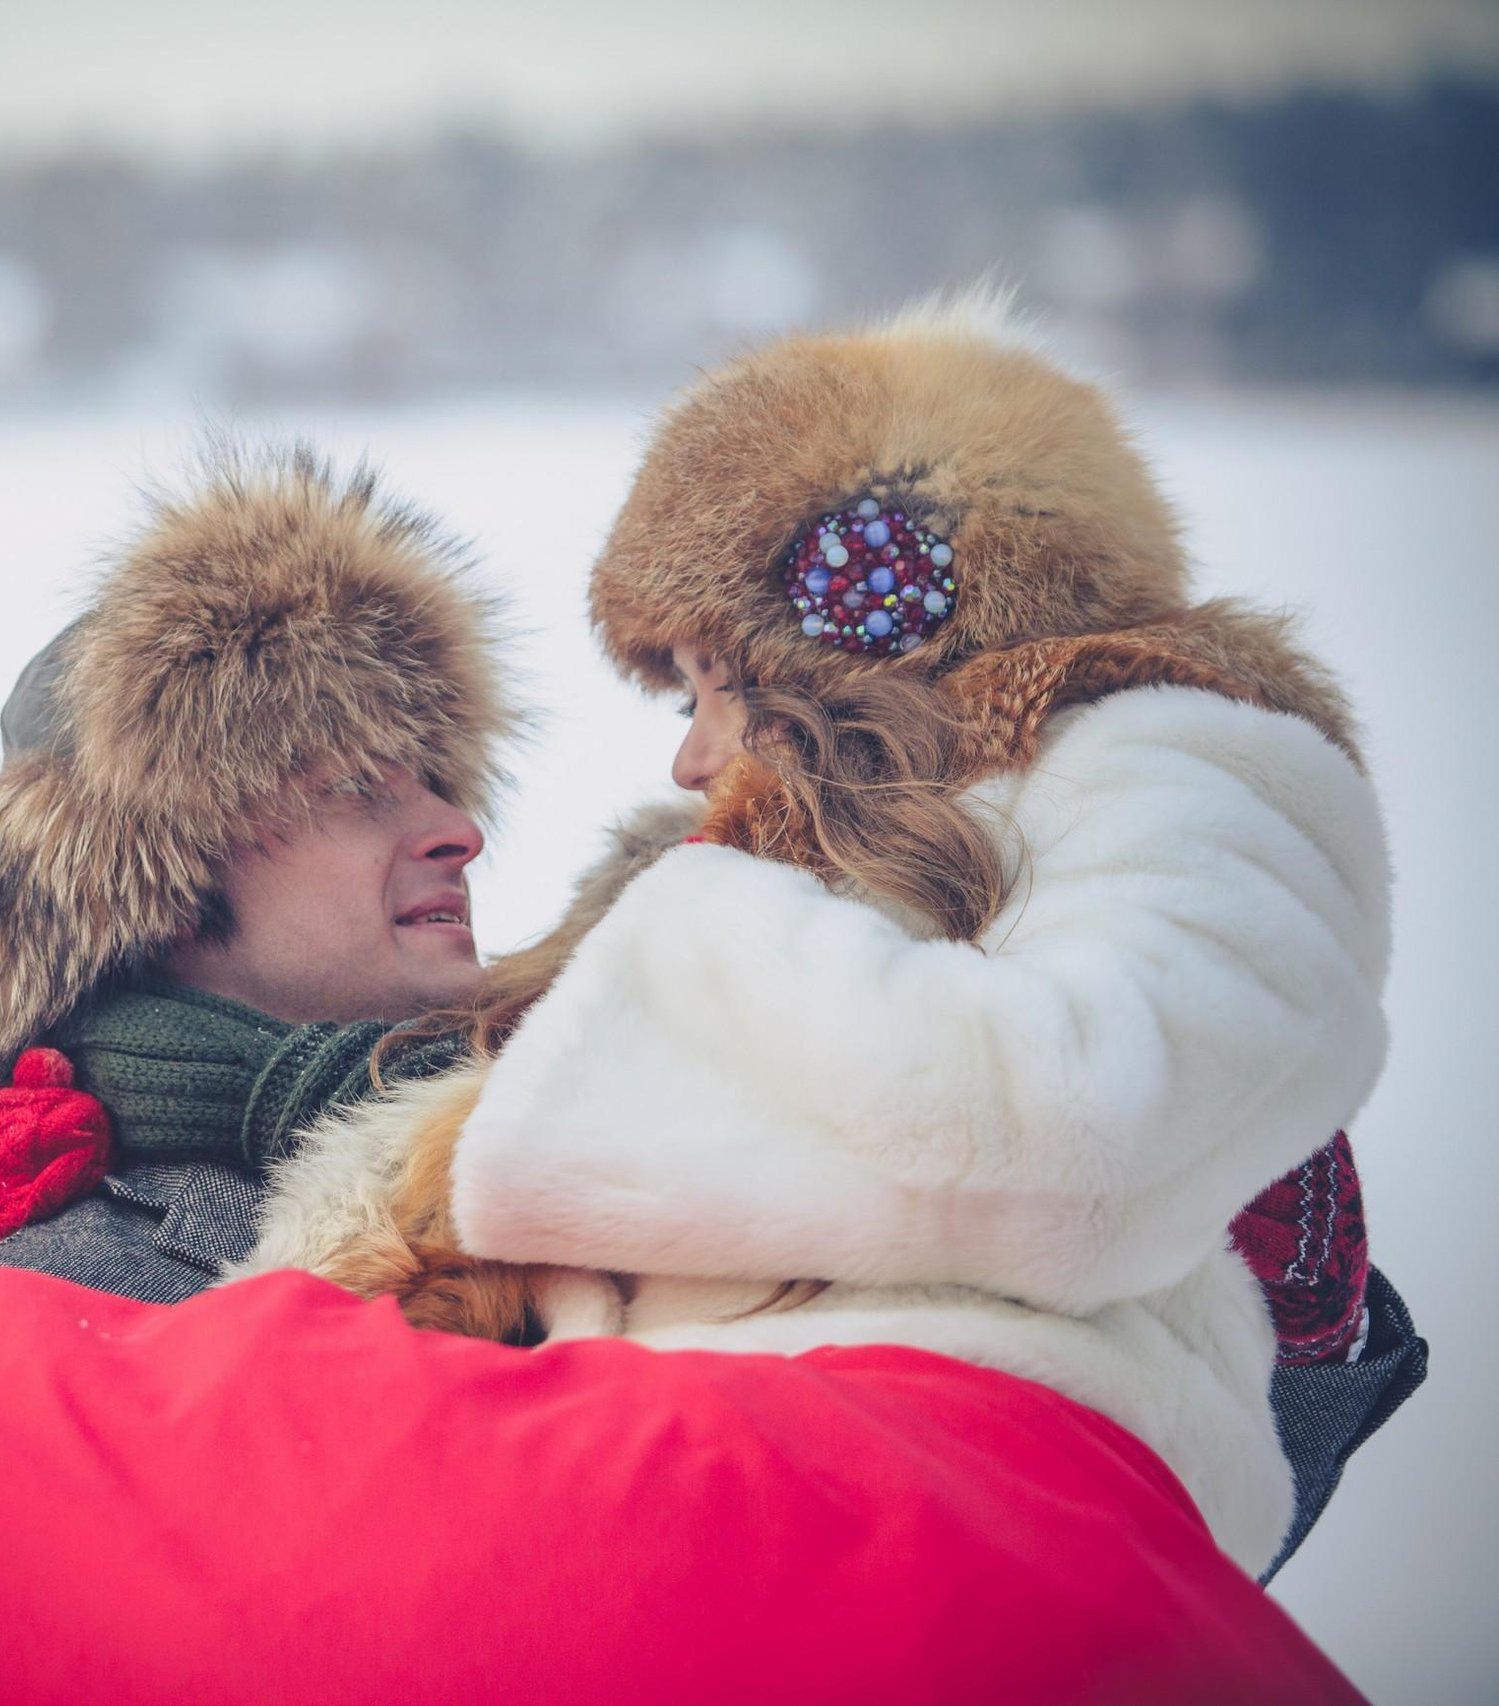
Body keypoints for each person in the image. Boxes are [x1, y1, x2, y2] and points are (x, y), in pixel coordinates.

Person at [239, 292, 1425, 1579]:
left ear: (853, 644)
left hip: (983, 1483)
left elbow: (1081, 1122)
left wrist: (683, 968)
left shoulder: (1183, 771)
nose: (691, 759)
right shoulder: (819, 871)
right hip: (756, 1470)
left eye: (716, 687)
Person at [0, 442, 560, 1305]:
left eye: (438, 784)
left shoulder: (607, 1163)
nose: (461, 834)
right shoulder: (40, 1307)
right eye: (357, 787)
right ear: (159, 890)